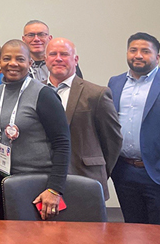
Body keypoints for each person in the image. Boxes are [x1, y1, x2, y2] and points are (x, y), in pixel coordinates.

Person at [0, 40, 70, 221]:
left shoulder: (44, 94)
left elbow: (63, 143)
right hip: (4, 180)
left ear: (30, 63)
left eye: (20, 59)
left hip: (38, 184)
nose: (13, 63)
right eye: (7, 58)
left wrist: (54, 189)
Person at [108, 32, 160, 226]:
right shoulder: (115, 83)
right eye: (133, 50)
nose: (138, 55)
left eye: (145, 51)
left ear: (157, 57)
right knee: (132, 231)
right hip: (124, 172)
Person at [45, 38, 122, 200]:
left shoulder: (96, 94)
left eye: (64, 54)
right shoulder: (36, 91)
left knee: (88, 226)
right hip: (45, 180)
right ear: (46, 59)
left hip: (86, 177)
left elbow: (112, 139)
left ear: (76, 59)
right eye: (53, 54)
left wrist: (100, 168)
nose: (58, 58)